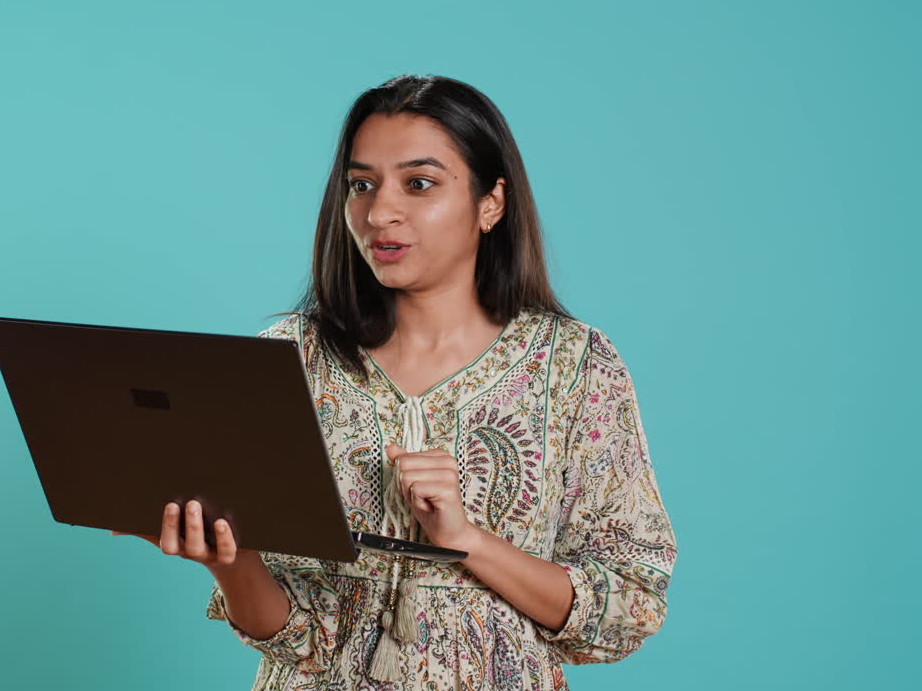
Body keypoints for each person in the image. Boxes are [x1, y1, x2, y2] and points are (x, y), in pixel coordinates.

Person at [112, 74, 678, 690]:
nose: (380, 212)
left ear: (491, 202)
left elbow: (627, 607)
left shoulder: (574, 365)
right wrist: (228, 561)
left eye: (419, 183)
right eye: (362, 185)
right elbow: (292, 639)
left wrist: (466, 540)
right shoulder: (289, 358)